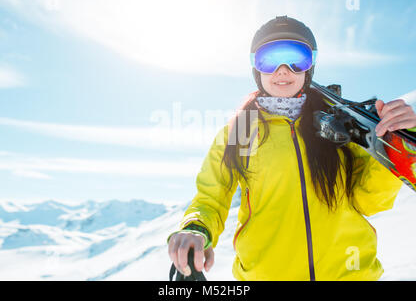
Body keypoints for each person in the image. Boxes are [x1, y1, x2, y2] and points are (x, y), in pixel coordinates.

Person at [167, 16, 416, 281]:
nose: (283, 70)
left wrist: (393, 144)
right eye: (269, 59)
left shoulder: (342, 124)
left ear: (310, 68)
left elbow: (368, 202)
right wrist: (197, 228)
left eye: (297, 58)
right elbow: (213, 195)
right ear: (256, 68)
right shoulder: (244, 129)